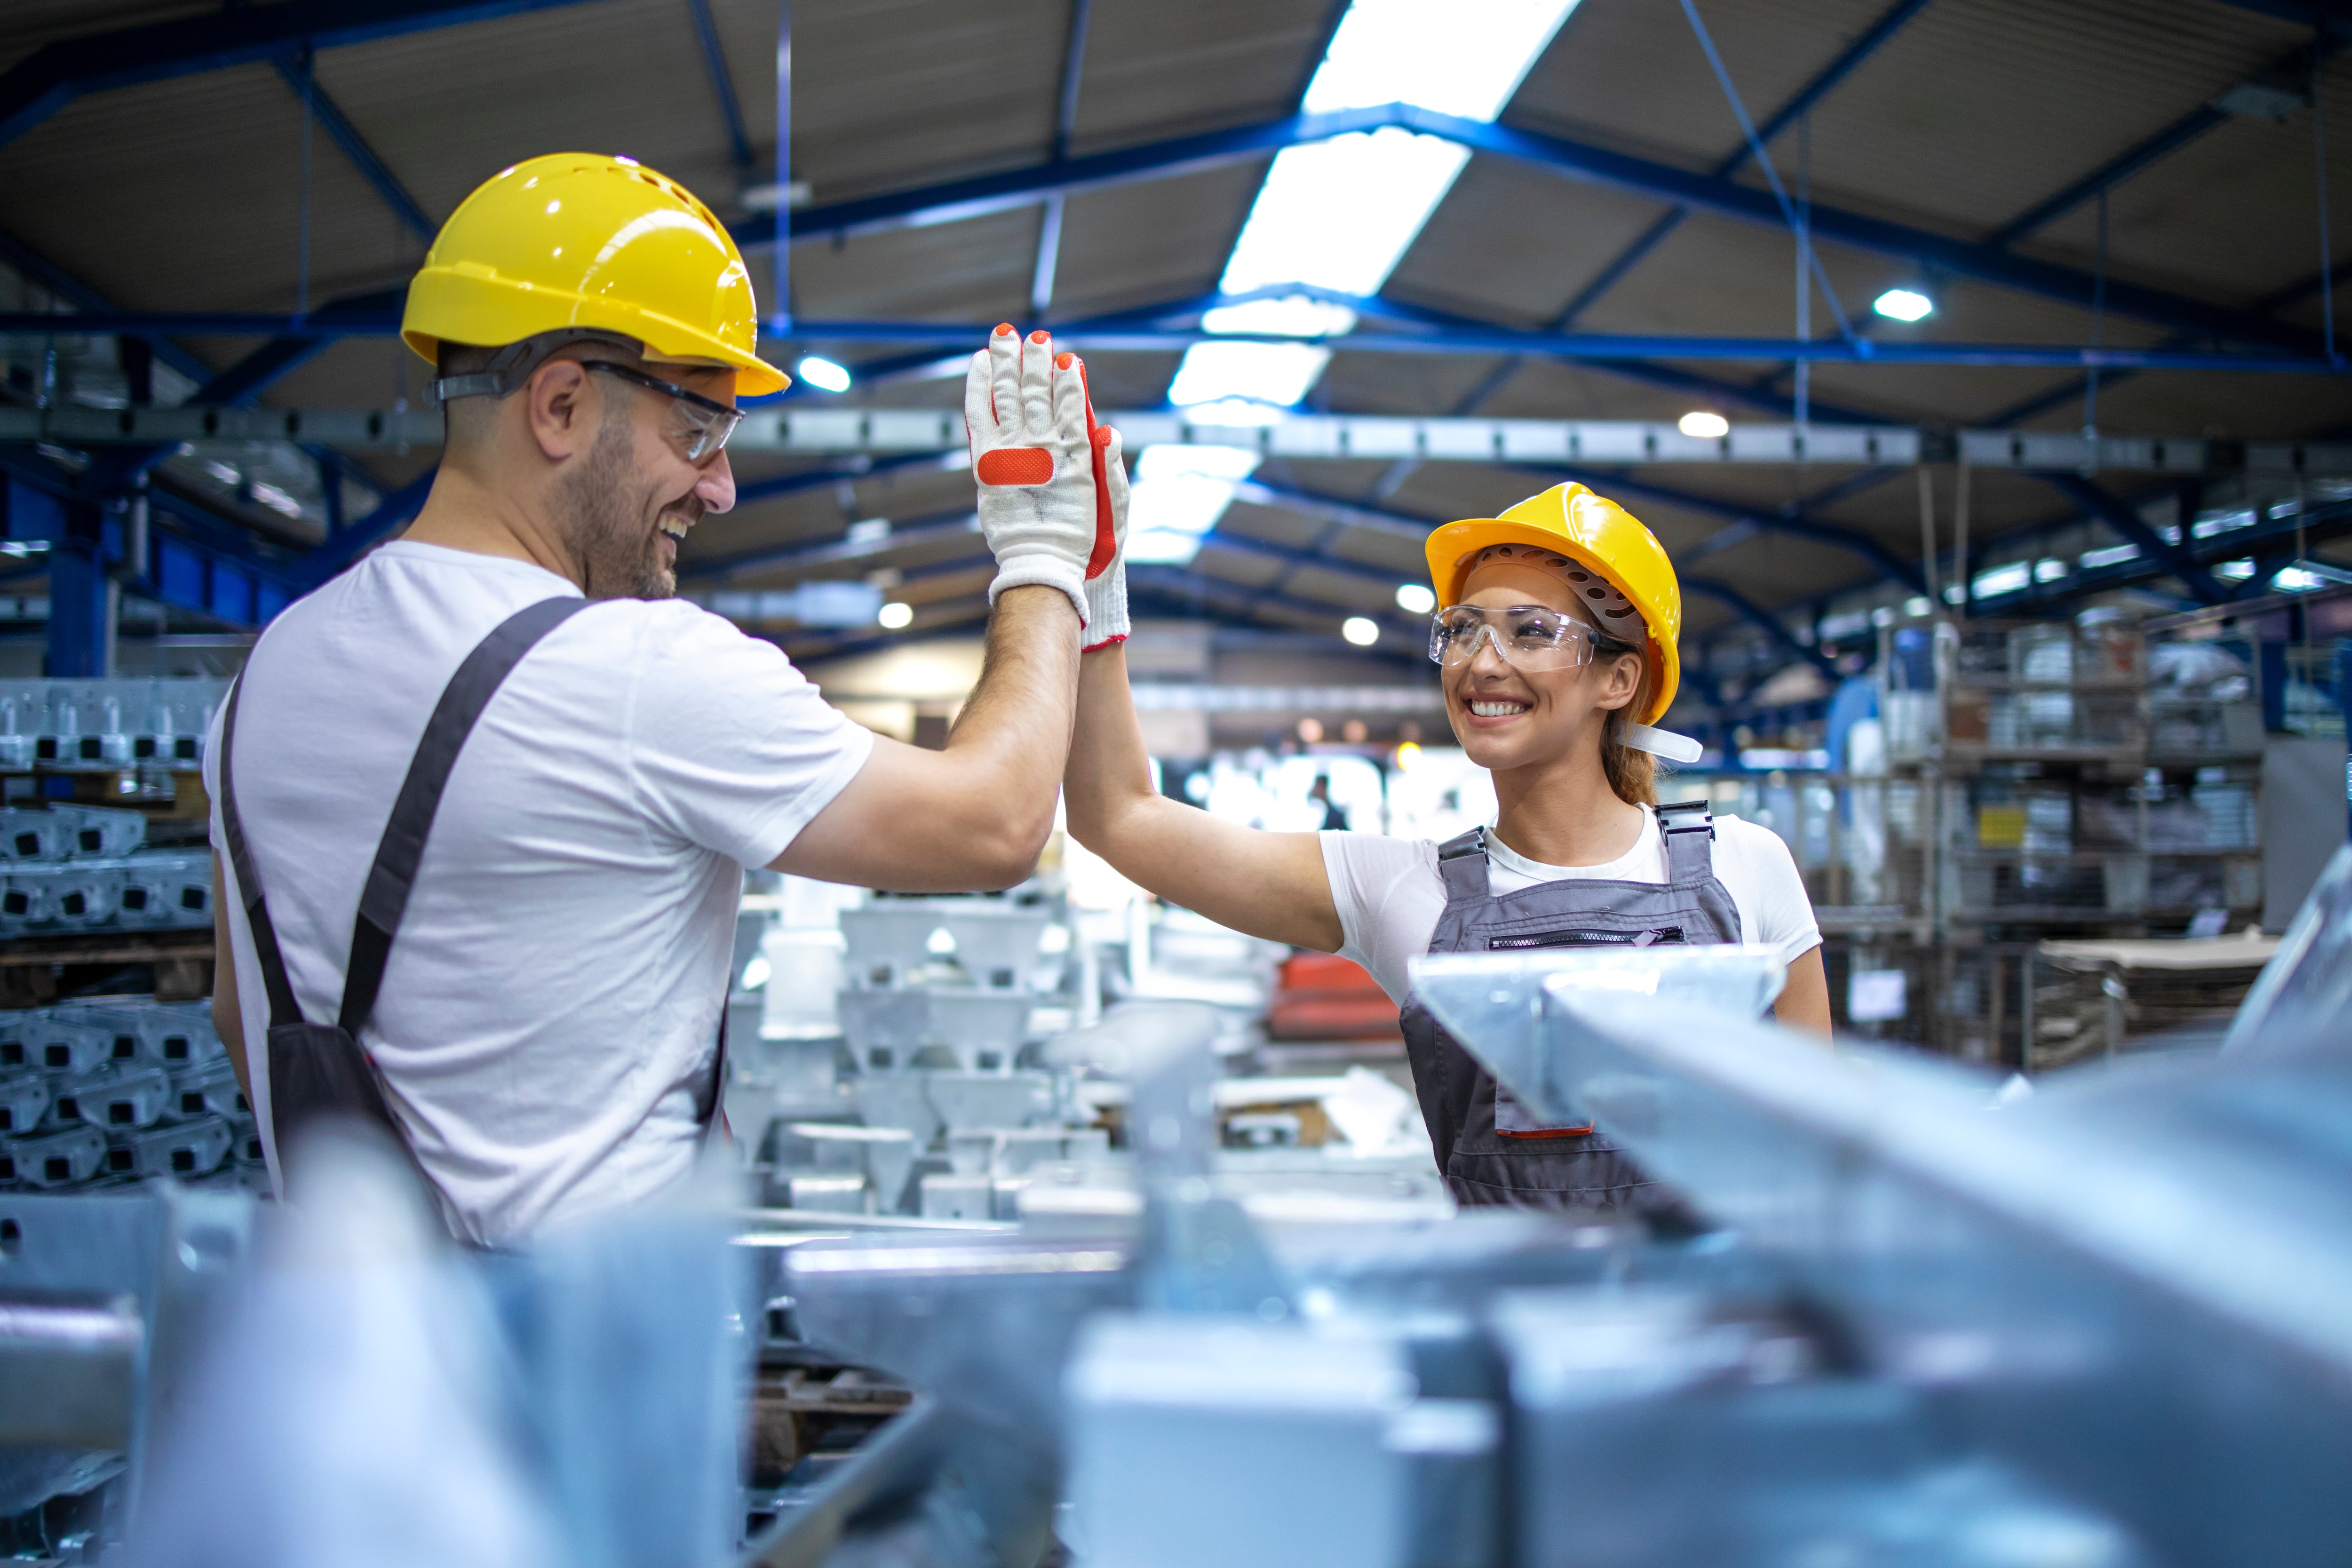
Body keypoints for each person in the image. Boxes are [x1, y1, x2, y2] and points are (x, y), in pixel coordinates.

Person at [208, 153, 1124, 1247]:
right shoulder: (635, 671)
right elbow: (997, 821)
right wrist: (1042, 560)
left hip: (353, 1367)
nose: (721, 486)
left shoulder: (265, 679)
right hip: (593, 1383)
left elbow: (243, 1015)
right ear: (558, 403)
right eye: (698, 428)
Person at [1063, 480, 1831, 1215]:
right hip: (1503, 1328)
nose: (1481, 661)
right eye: (1463, 629)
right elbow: (1119, 819)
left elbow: (1821, 1150)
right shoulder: (1403, 891)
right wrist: (1090, 586)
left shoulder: (1742, 866)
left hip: (1719, 1328)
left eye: (1531, 631)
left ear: (1619, 679)